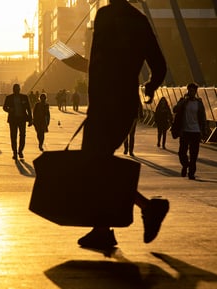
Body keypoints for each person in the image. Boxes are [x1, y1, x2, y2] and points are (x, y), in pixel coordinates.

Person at [78, 0, 169, 250]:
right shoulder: (140, 20)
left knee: (95, 164)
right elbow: (159, 66)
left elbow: (98, 64)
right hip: (125, 104)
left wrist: (94, 104)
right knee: (100, 165)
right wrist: (149, 87)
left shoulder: (105, 15)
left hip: (105, 104)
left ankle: (133, 215)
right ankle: (109, 225)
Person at [173, 83, 207, 180]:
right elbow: (175, 110)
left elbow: (203, 117)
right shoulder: (183, 101)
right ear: (187, 91)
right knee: (181, 152)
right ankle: (185, 165)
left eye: (193, 91)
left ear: (196, 92)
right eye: (190, 90)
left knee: (194, 154)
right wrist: (182, 101)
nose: (191, 92)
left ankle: (191, 173)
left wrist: (203, 130)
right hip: (185, 131)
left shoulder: (199, 103)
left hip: (196, 131)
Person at [3, 83, 33, 160]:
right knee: (13, 136)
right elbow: (4, 107)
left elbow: (28, 109)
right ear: (13, 90)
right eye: (15, 89)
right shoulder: (9, 97)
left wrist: (30, 119)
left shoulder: (24, 97)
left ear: (19, 89)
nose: (16, 90)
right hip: (13, 120)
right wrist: (10, 110)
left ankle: (20, 151)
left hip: (22, 119)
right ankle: (15, 152)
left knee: (22, 135)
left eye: (18, 89)